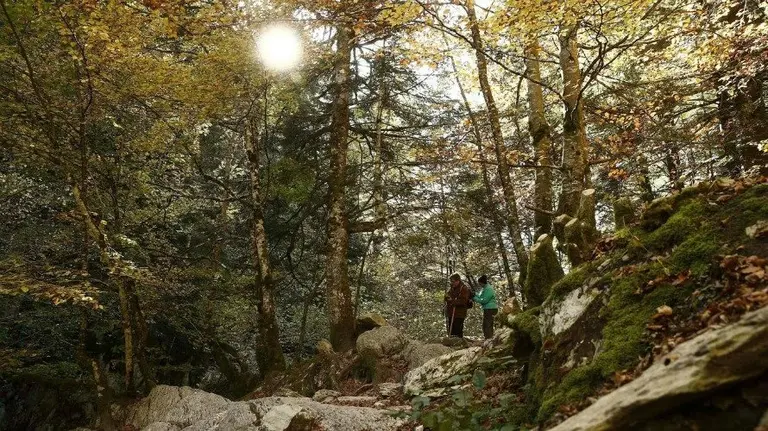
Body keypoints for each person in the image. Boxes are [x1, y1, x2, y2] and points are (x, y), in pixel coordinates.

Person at [444, 273, 471, 337]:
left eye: (453, 281)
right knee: (452, 331)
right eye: (451, 281)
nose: (452, 283)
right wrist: (447, 297)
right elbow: (447, 296)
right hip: (451, 312)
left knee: (457, 331)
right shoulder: (452, 288)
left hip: (459, 313)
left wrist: (452, 301)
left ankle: (460, 344)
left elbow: (463, 301)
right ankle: (453, 345)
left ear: (458, 280)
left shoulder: (464, 288)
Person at [473, 275, 498, 339]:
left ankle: (489, 339)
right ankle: (488, 338)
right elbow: (480, 296)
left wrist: (474, 298)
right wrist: (474, 294)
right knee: (486, 325)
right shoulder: (485, 288)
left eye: (480, 283)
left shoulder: (488, 289)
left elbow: (484, 300)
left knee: (487, 325)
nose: (479, 284)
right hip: (488, 309)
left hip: (490, 309)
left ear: (482, 282)